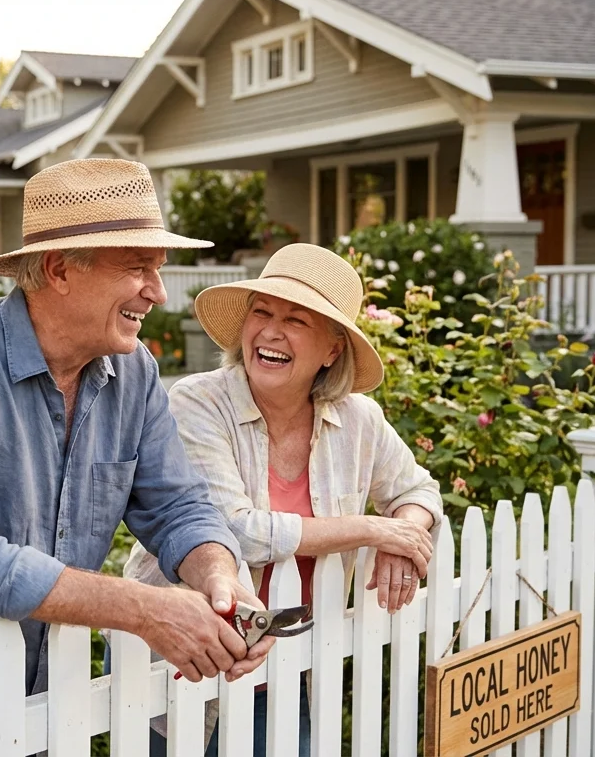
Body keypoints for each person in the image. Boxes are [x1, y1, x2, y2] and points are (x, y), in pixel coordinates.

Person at [0, 158, 275, 733]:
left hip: (36, 708)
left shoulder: (134, 370)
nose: (158, 292)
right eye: (139, 267)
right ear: (59, 269)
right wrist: (145, 610)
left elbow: (176, 507)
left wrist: (218, 575)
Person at [125, 242, 443, 757]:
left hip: (291, 672)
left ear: (332, 349)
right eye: (262, 312)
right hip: (182, 665)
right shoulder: (197, 402)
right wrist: (374, 530)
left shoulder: (358, 419)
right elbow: (235, 530)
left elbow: (419, 490)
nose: (271, 332)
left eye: (296, 321)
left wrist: (404, 532)